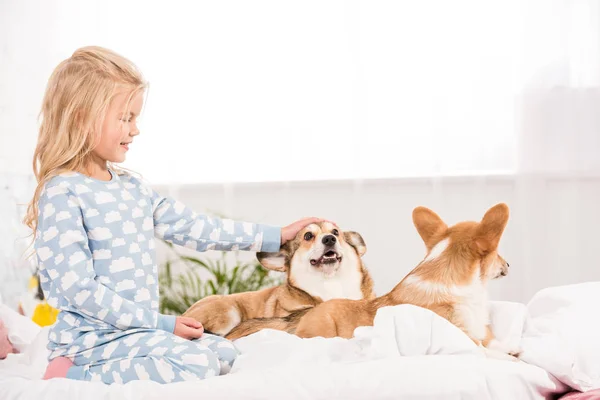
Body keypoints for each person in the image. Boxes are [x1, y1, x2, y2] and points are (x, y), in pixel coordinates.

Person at [23, 46, 327, 385]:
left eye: (135, 118)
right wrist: (164, 324)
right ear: (81, 117)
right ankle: (70, 373)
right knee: (198, 363)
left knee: (225, 354)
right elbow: (79, 290)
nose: (134, 129)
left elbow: (196, 228)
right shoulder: (63, 193)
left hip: (134, 332)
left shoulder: (132, 188)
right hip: (91, 341)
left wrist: (277, 235)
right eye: (125, 118)